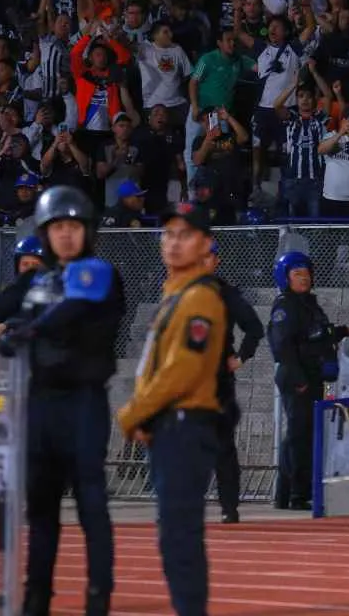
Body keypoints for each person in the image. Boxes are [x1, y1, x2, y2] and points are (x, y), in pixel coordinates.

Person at [0, 186, 124, 616]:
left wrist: (28, 329)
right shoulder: (36, 280)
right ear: (45, 232)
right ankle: (36, 597)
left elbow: (72, 309)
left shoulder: (97, 272)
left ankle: (98, 595)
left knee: (91, 503)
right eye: (58, 227)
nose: (66, 234)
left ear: (88, 231)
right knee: (40, 507)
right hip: (40, 405)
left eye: (74, 226)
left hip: (83, 404)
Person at [115, 202, 227, 616]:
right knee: (174, 535)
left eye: (185, 236)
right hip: (170, 425)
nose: (174, 243)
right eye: (169, 235)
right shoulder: (175, 296)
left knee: (179, 536)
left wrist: (133, 412)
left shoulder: (199, 299)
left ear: (206, 245)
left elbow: (182, 371)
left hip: (186, 426)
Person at [267, 250, 349, 510]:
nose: (304, 278)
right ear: (285, 278)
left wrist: (343, 331)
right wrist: (299, 380)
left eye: (307, 273)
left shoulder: (309, 305)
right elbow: (282, 346)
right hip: (298, 378)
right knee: (299, 436)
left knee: (304, 434)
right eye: (297, 274)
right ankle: (297, 494)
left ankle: (288, 494)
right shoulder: (285, 306)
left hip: (313, 377)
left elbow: (319, 333)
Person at [203, 238, 265, 524]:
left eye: (208, 257)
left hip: (216, 380)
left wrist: (241, 357)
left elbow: (253, 327)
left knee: (222, 445)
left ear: (216, 261)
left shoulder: (226, 294)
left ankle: (229, 506)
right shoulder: (176, 291)